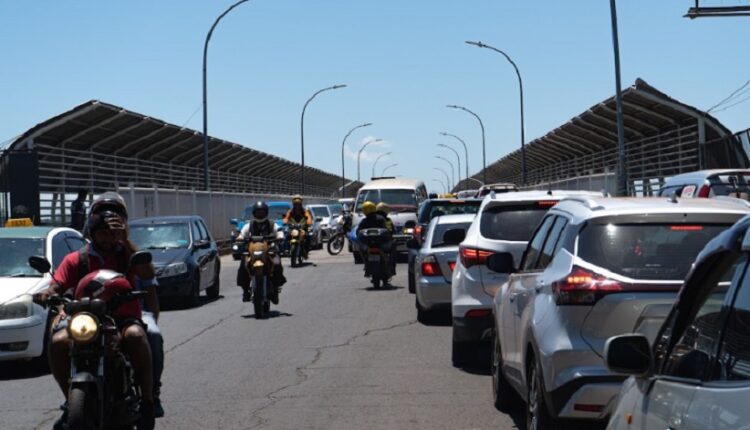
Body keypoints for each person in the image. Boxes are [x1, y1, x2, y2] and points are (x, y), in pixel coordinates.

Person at [34, 192, 160, 430]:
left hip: (123, 316)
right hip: (85, 318)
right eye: (103, 232)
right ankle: (70, 399)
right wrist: (47, 294)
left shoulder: (128, 254)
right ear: (92, 232)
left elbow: (147, 274)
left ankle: (148, 400)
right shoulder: (77, 259)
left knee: (139, 336)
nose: (109, 237)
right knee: (58, 340)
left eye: (114, 233)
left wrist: (126, 240)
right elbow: (57, 284)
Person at [236, 201, 286, 303]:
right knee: (243, 266)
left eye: (262, 212)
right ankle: (245, 290)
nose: (260, 214)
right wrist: (240, 238)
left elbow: (279, 231)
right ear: (254, 213)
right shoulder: (249, 225)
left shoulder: (272, 224)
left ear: (266, 213)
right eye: (258, 212)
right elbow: (242, 234)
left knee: (277, 263)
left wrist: (280, 237)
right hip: (252, 252)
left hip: (269, 251)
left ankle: (275, 289)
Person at [376, 202, 397, 279]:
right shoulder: (387, 220)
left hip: (373, 243)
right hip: (384, 243)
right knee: (394, 245)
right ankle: (392, 268)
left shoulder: (371, 218)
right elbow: (391, 231)